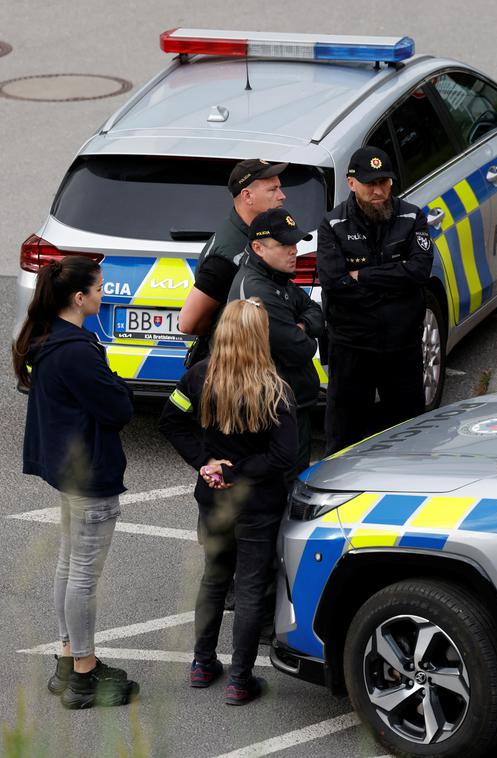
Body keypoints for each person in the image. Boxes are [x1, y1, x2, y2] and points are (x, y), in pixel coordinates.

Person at [13, 255, 139, 710]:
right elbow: (120, 409)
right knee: (83, 575)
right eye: (100, 289)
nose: (104, 295)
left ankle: (69, 659)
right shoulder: (77, 352)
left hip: (66, 473)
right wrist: (119, 385)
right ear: (78, 297)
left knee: (70, 567)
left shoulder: (49, 339)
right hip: (90, 477)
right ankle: (84, 674)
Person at [159, 298, 298, 706]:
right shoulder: (274, 390)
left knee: (214, 580)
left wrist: (206, 464)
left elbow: (171, 420)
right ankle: (240, 680)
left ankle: (202, 664)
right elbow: (284, 456)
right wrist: (237, 471)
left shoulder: (198, 377)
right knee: (252, 588)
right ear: (260, 337)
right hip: (258, 505)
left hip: (214, 500)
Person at [316, 146, 434, 454]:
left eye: (385, 182)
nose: (379, 190)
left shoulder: (411, 216)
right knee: (343, 441)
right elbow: (336, 283)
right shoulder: (332, 224)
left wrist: (364, 276)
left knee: (409, 438)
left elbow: (419, 271)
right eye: (370, 183)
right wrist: (395, 281)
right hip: (352, 348)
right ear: (351, 183)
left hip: (402, 347)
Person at [229, 209, 323, 475]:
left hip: (291, 404)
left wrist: (303, 325)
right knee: (283, 488)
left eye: (293, 243)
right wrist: (308, 334)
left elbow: (315, 313)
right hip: (273, 411)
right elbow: (300, 350)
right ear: (258, 247)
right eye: (284, 245)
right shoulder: (260, 289)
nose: (293, 251)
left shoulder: (278, 278)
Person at [181, 159, 288, 365]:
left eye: (280, 188)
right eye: (273, 189)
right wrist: (235, 332)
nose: (282, 196)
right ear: (247, 196)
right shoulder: (228, 254)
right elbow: (189, 323)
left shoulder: (255, 237)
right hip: (233, 367)